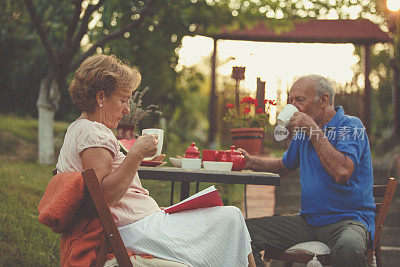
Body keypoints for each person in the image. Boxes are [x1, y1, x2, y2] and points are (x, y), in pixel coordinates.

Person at [56, 54, 255, 267]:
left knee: (227, 218)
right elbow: (103, 196)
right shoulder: (95, 133)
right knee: (231, 217)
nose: (128, 109)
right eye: (123, 100)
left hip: (137, 225)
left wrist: (133, 159)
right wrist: (136, 153)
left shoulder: (78, 129)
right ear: (101, 97)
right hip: (137, 230)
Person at [239, 75, 375, 267]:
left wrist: (313, 130)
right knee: (241, 231)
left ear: (323, 100)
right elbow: (282, 167)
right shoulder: (303, 134)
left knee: (349, 247)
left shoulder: (350, 126)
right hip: (309, 221)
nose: (293, 106)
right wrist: (249, 161)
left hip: (348, 220)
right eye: (291, 101)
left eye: (299, 100)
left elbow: (342, 172)